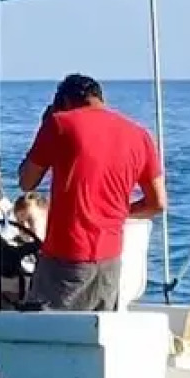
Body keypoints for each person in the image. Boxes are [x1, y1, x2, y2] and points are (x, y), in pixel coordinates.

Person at [17, 74, 167, 311]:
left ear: (64, 102)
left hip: (65, 256)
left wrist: (45, 124)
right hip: (110, 260)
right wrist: (115, 213)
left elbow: (27, 181)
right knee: (96, 334)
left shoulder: (59, 123)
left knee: (45, 331)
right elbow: (157, 203)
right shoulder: (140, 134)